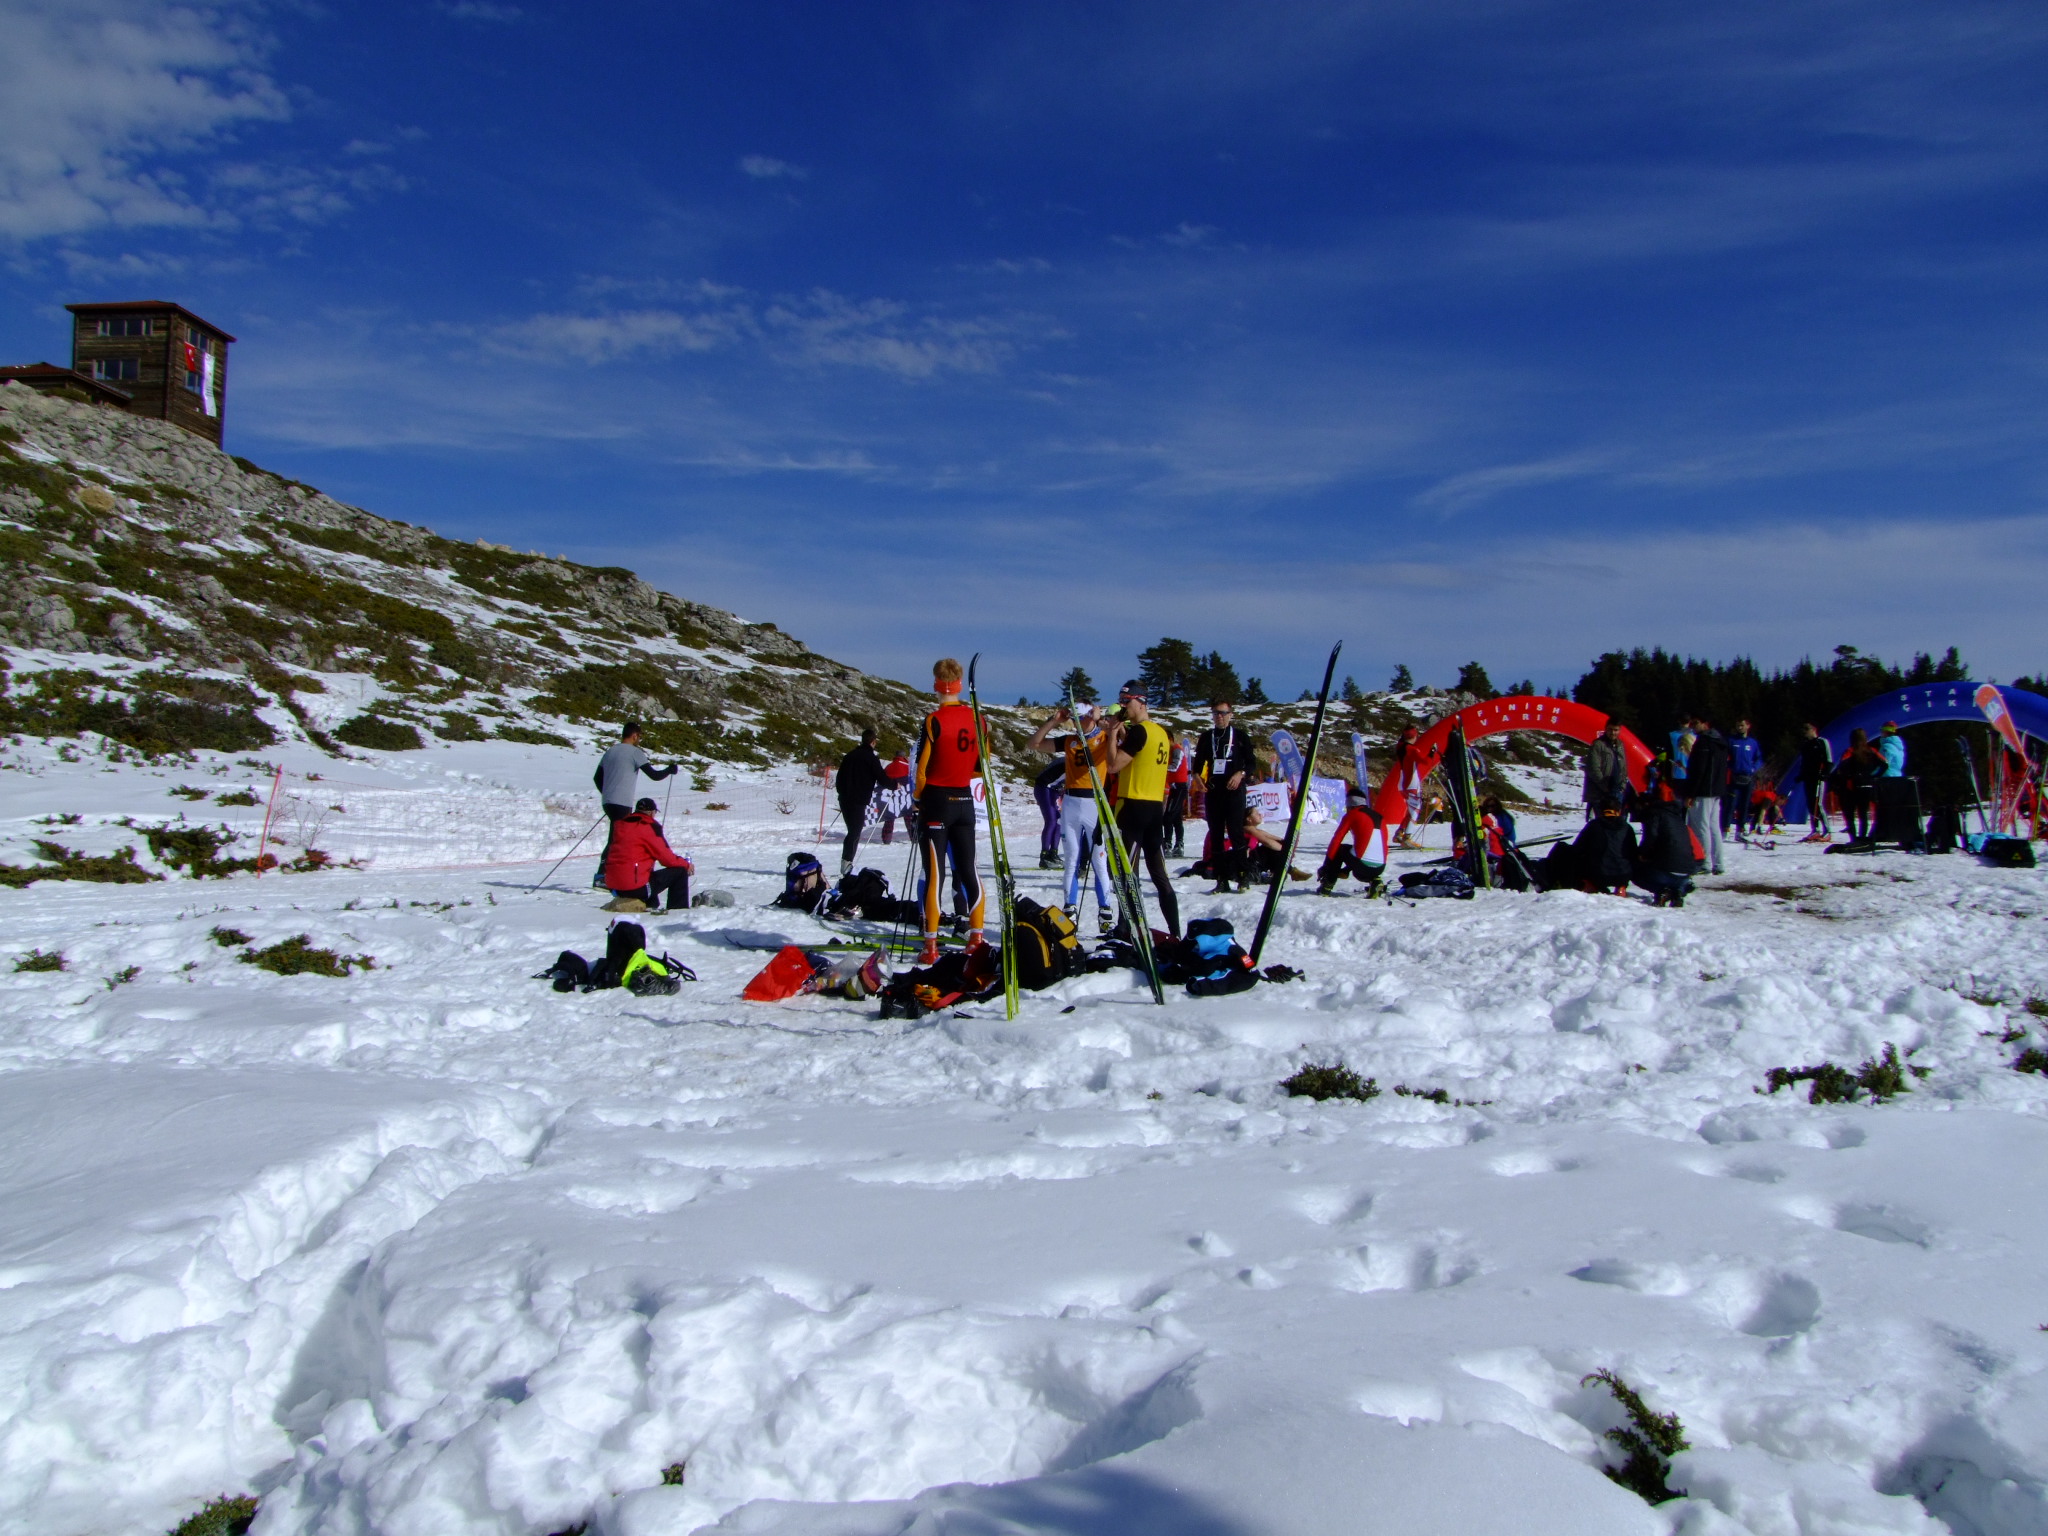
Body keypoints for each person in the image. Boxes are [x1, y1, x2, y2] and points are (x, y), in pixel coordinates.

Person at [913, 658, 985, 964]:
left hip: (936, 801)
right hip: (964, 801)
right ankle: (977, 937)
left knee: (935, 874)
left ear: (936, 685)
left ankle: (931, 945)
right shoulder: (979, 720)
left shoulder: (934, 719)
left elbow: (921, 770)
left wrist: (917, 798)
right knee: (968, 869)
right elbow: (981, 765)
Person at [1029, 702, 1116, 935]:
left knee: (1099, 862)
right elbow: (1034, 743)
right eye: (1076, 719)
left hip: (1095, 804)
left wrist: (1101, 720)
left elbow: (1122, 738)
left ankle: (1105, 911)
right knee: (1071, 861)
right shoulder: (1069, 740)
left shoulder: (1105, 736)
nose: (1080, 723)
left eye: (1085, 718)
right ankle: (1070, 910)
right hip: (1070, 803)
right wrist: (1054, 721)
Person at [1104, 680, 1181, 940]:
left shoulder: (1138, 731)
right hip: (1153, 808)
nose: (1124, 706)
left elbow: (1113, 765)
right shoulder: (1160, 732)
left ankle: (1127, 927)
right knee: (1159, 873)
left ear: (1140, 701)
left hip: (1132, 806)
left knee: (1128, 872)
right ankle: (1175, 931)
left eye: (1127, 702)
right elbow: (1140, 751)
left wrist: (1113, 735)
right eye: (1122, 702)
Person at [593, 720, 679, 885]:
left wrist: (608, 793)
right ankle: (602, 877)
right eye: (639, 736)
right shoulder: (634, 752)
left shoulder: (610, 751)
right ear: (634, 736)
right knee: (616, 840)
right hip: (622, 802)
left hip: (608, 801)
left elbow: (597, 778)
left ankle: (604, 876)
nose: (639, 739)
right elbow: (654, 776)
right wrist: (669, 770)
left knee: (615, 838)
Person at [1192, 700, 1258, 893]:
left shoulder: (1239, 736)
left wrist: (1241, 774)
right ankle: (1221, 879)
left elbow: (1251, 763)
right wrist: (1196, 777)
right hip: (1214, 791)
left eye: (1222, 713)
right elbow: (1198, 765)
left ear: (1230, 714)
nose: (1219, 717)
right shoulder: (1207, 737)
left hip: (1234, 791)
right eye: (1215, 713)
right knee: (1216, 835)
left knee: (1236, 832)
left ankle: (1243, 876)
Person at [600, 797, 691, 912]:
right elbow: (666, 858)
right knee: (680, 872)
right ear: (652, 812)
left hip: (613, 885)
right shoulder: (648, 826)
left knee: (644, 872)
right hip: (634, 887)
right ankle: (678, 911)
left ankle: (650, 903)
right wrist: (686, 864)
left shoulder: (621, 825)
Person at [1633, 788, 1698, 908]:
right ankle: (1677, 892)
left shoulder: (1653, 814)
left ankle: (1661, 890)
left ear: (1646, 805)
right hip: (1686, 874)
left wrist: (1641, 854)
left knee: (1635, 872)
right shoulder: (1676, 817)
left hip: (1665, 872)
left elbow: (1650, 837)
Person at [1317, 785, 1387, 894]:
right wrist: (1347, 868)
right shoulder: (1379, 817)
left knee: (1340, 849)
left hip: (1362, 866)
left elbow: (1336, 840)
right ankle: (1375, 880)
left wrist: (1327, 866)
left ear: (1350, 804)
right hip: (1380, 867)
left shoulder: (1352, 814)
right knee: (1356, 851)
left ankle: (1327, 885)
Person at [834, 728, 885, 876]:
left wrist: (842, 792)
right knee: (855, 831)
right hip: (858, 800)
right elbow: (881, 777)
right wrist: (894, 785)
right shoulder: (871, 758)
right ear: (873, 742)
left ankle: (847, 861)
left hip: (845, 798)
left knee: (854, 830)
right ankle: (846, 862)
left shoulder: (850, 755)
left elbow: (839, 777)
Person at [1684, 714, 1729, 877]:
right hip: (1717, 789)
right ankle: (1719, 863)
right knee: (1714, 827)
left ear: (1705, 724)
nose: (1693, 726)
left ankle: (1705, 862)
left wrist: (1691, 792)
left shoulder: (1703, 742)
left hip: (1704, 790)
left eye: (1696, 723)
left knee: (1701, 826)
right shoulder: (1720, 741)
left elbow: (1699, 769)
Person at [1571, 805, 1639, 895]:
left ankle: (1591, 885)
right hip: (1623, 874)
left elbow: (1578, 848)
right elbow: (1633, 850)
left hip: (1598, 874)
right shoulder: (1627, 827)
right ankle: (1621, 887)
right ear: (1618, 811)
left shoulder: (1594, 825)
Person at [1834, 727, 1882, 844]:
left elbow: (1841, 767)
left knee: (1849, 814)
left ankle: (1854, 838)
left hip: (1852, 787)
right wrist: (1873, 775)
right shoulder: (1871, 751)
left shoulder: (1849, 752)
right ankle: (1863, 837)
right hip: (1867, 785)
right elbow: (1885, 764)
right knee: (1863, 814)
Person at [1240, 804, 1309, 884]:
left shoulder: (1253, 829)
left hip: (1254, 860)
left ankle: (1287, 871)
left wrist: (1285, 843)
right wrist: (1286, 851)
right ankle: (1291, 871)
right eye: (1256, 813)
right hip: (1250, 862)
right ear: (1249, 819)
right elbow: (1268, 843)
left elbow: (1272, 838)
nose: (1260, 814)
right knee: (1272, 850)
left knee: (1277, 846)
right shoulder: (1248, 829)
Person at [1725, 720, 1762, 842]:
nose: (1740, 728)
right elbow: (1725, 757)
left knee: (1744, 804)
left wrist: (1753, 768)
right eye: (1738, 725)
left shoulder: (1752, 743)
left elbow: (1758, 758)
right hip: (1734, 777)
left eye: (1742, 725)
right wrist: (1729, 766)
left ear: (1748, 726)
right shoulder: (1731, 741)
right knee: (1730, 804)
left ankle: (1740, 829)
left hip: (1748, 777)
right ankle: (1726, 828)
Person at [1583, 719, 1629, 816]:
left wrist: (1623, 785)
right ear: (1606, 729)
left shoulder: (1620, 745)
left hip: (1617, 791)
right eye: (1610, 729)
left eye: (1616, 730)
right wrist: (1605, 786)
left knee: (1616, 823)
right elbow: (1593, 769)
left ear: (1619, 730)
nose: (1613, 733)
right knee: (1603, 822)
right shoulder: (1598, 745)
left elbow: (1623, 767)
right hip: (1601, 793)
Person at [1797, 723, 1834, 842]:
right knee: (1810, 804)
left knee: (1818, 804)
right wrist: (1801, 775)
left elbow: (1829, 760)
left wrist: (1825, 774)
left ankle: (1827, 830)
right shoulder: (1805, 745)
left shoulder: (1822, 742)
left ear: (1814, 730)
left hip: (1819, 778)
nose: (1805, 732)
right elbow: (1804, 762)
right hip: (1809, 777)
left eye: (1807, 730)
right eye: (1804, 730)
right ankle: (1815, 829)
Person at [1391, 725, 1427, 848]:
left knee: (1411, 809)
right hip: (1411, 782)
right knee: (1416, 809)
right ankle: (1407, 837)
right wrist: (1432, 751)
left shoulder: (1400, 746)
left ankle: (1400, 833)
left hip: (1402, 781)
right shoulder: (1411, 749)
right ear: (1415, 735)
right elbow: (1425, 760)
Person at [1032, 757, 1065, 869]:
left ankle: (1053, 853)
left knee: (1059, 820)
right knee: (1051, 821)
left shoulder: (1068, 760)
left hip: (1054, 789)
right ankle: (1044, 855)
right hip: (1043, 787)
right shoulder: (1068, 762)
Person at [1164, 735, 1192, 857]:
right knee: (1176, 817)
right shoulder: (1169, 750)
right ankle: (1178, 844)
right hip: (1173, 786)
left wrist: (1160, 768)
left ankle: (1168, 843)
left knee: (1168, 815)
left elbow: (1175, 767)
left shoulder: (1177, 749)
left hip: (1179, 786)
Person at [878, 753, 911, 844]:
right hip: (904, 796)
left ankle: (886, 839)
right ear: (904, 757)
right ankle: (913, 838)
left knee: (889, 817)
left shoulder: (889, 766)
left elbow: (882, 779)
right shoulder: (907, 766)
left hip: (890, 795)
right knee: (908, 817)